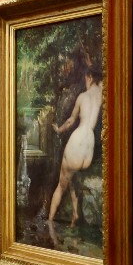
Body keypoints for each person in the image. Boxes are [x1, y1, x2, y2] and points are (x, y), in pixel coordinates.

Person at [48, 68, 103, 240]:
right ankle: (75, 216)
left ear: (89, 77)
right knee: (72, 178)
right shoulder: (103, 94)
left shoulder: (83, 97)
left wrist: (58, 129)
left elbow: (71, 120)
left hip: (78, 142)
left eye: (86, 78)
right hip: (89, 147)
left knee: (61, 185)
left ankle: (49, 224)